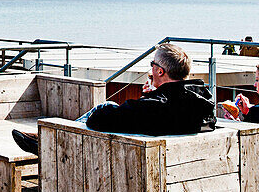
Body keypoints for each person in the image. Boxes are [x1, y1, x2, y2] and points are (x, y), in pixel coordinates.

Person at [11, 43, 216, 152]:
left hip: (133, 159)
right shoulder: (204, 105)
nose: (150, 70)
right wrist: (152, 96)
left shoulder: (159, 106)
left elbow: (99, 119)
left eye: (152, 65)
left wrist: (151, 99)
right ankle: (47, 142)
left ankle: (49, 144)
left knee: (105, 107)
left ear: (160, 72)